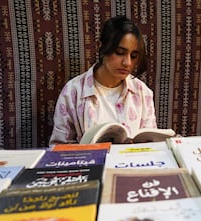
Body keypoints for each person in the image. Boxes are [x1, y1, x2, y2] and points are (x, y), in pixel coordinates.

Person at [49, 16, 157, 145]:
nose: (127, 63)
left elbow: (151, 144)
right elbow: (59, 147)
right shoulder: (73, 91)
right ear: (102, 48)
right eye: (119, 52)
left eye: (134, 56)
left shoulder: (142, 93)